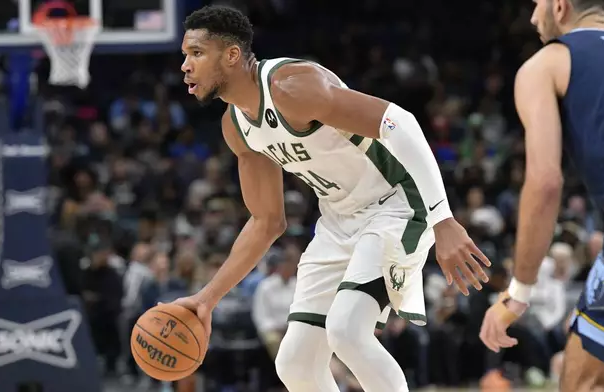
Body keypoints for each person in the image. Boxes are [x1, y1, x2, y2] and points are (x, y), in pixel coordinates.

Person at [171, 5, 491, 392]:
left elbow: (399, 122)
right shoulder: (236, 127)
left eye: (196, 54)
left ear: (232, 55)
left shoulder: (291, 86)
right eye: (185, 55)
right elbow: (266, 222)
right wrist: (206, 300)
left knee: (347, 330)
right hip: (339, 221)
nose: (185, 66)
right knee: (295, 365)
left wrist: (443, 220)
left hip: (397, 203)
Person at [479, 0, 604, 390]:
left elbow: (546, 181)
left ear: (560, 6)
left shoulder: (547, 64)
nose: (532, 17)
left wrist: (518, 292)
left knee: (589, 382)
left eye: (536, 5)